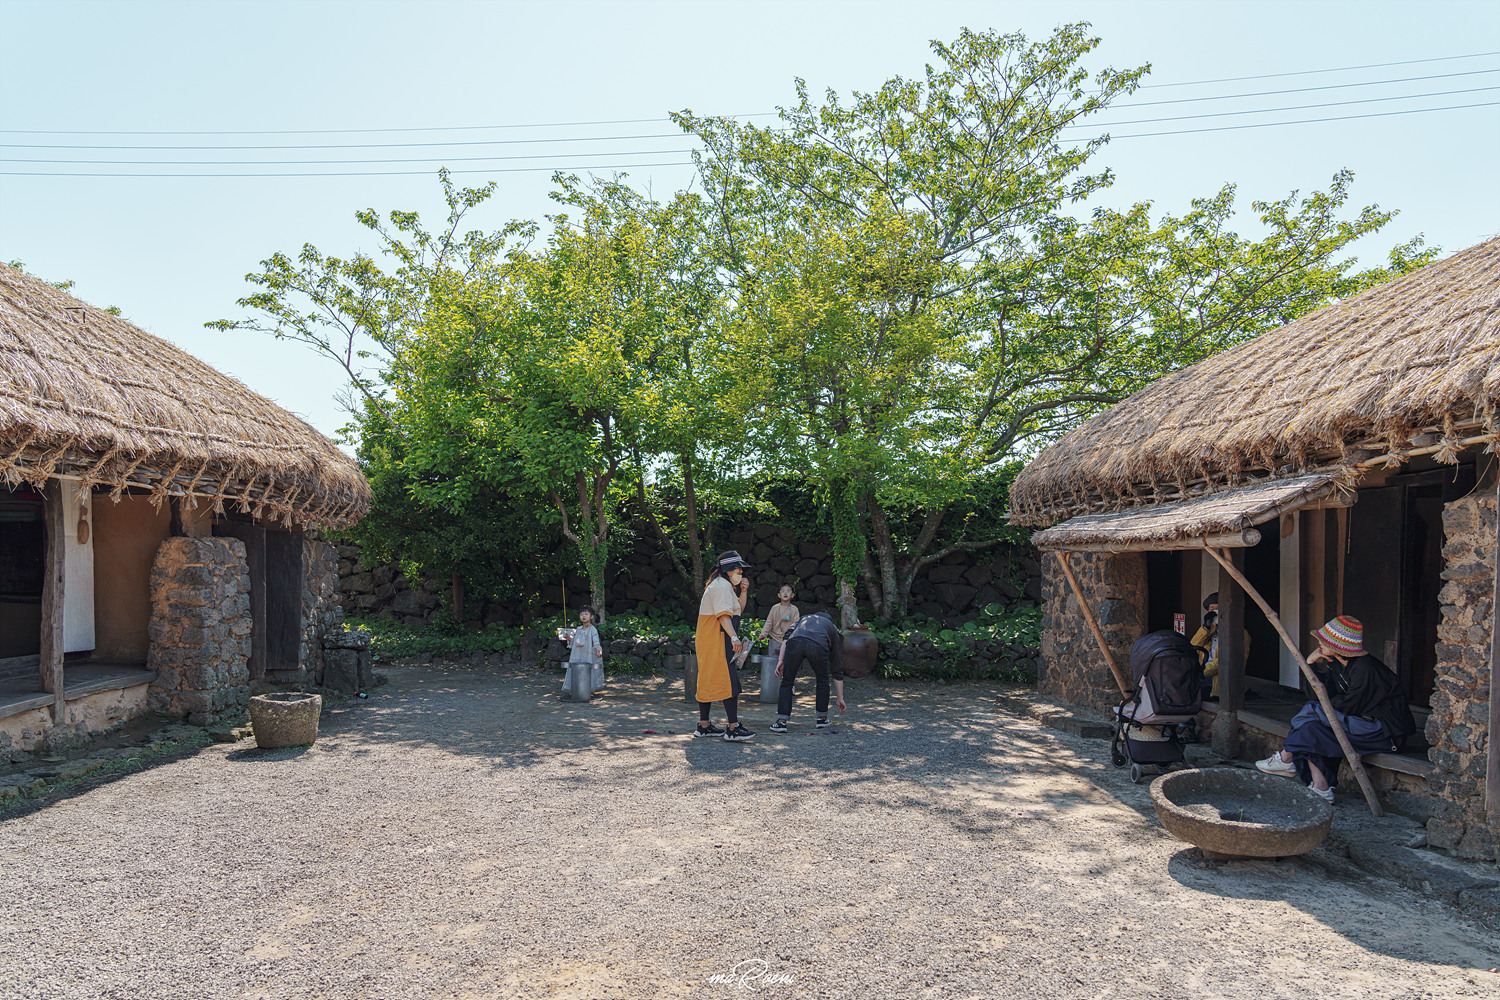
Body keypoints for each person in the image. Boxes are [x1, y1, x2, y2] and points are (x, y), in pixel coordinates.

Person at [1255, 615, 1415, 802]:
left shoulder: (1366, 668)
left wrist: (1322, 706)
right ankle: (1321, 787)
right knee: (1309, 728)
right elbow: (1317, 693)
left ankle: (1287, 756)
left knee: (1312, 710)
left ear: (1339, 647)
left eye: (1324, 642)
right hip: (1357, 723)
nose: (1319, 644)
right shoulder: (1338, 664)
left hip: (1382, 732)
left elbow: (1349, 706)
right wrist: (1310, 665)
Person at [693, 551, 756, 741]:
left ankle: (704, 726)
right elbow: (723, 615)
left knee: (707, 679)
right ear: (729, 570)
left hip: (711, 639)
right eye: (738, 569)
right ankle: (733, 728)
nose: (741, 572)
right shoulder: (721, 586)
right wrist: (734, 637)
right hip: (718, 639)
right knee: (730, 682)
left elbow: (737, 610)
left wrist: (743, 591)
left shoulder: (723, 585)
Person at [767, 611, 847, 733]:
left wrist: (780, 660)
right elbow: (837, 666)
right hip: (818, 645)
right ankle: (821, 719)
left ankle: (781, 722)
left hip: (795, 642)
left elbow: (786, 638)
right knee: (823, 680)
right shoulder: (831, 627)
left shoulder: (803, 619)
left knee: (787, 681)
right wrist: (840, 698)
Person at [1190, 592, 1250, 700]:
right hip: (1203, 675)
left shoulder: (1239, 632)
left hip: (1218, 682)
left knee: (1187, 689)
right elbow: (1193, 647)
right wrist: (1205, 628)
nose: (1214, 612)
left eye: (1217, 609)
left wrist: (1200, 672)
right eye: (1211, 609)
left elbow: (1226, 661)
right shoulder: (1210, 630)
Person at [563, 606, 604, 697]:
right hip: (577, 655)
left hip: (588, 656)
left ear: (592, 616)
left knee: (588, 671)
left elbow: (596, 642)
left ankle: (588, 690)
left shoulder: (592, 629)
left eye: (586, 614)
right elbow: (575, 642)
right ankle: (575, 689)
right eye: (581, 614)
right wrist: (569, 638)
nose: (583, 616)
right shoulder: (578, 629)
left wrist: (598, 650)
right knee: (575, 670)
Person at [756, 585, 800, 659]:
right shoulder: (775, 608)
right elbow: (769, 622)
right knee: (772, 660)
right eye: (783, 591)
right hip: (774, 638)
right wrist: (763, 634)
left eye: (788, 591)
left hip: (788, 639)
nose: (785, 593)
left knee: (786, 660)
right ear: (779, 595)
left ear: (792, 595)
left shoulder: (794, 609)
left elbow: (797, 624)